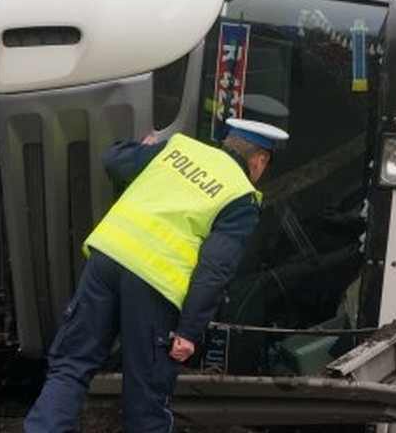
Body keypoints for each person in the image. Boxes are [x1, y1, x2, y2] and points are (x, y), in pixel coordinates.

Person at [24, 118, 289, 433]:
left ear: (229, 142)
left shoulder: (179, 148)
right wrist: (190, 331)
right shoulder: (241, 197)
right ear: (259, 161)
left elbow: (114, 161)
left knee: (70, 365)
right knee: (146, 396)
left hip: (107, 259)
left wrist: (138, 148)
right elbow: (215, 269)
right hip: (154, 285)